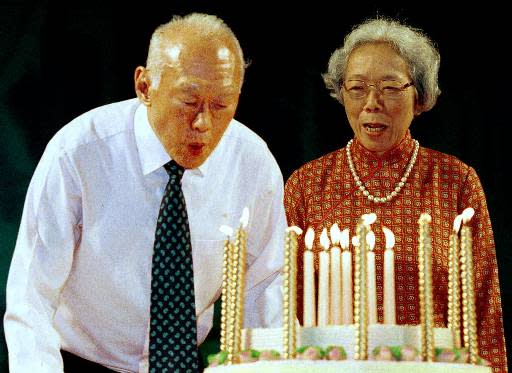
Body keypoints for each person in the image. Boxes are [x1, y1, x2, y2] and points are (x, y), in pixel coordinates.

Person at [4, 13, 286, 373]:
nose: (203, 123)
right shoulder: (78, 153)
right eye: (189, 101)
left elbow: (263, 290)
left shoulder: (253, 164)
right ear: (145, 86)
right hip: (83, 362)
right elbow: (31, 296)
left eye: (222, 105)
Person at [284, 17, 507, 372]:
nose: (372, 103)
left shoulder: (455, 182)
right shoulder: (307, 185)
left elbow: (484, 307)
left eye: (390, 88)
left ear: (419, 97)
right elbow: (283, 310)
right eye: (356, 88)